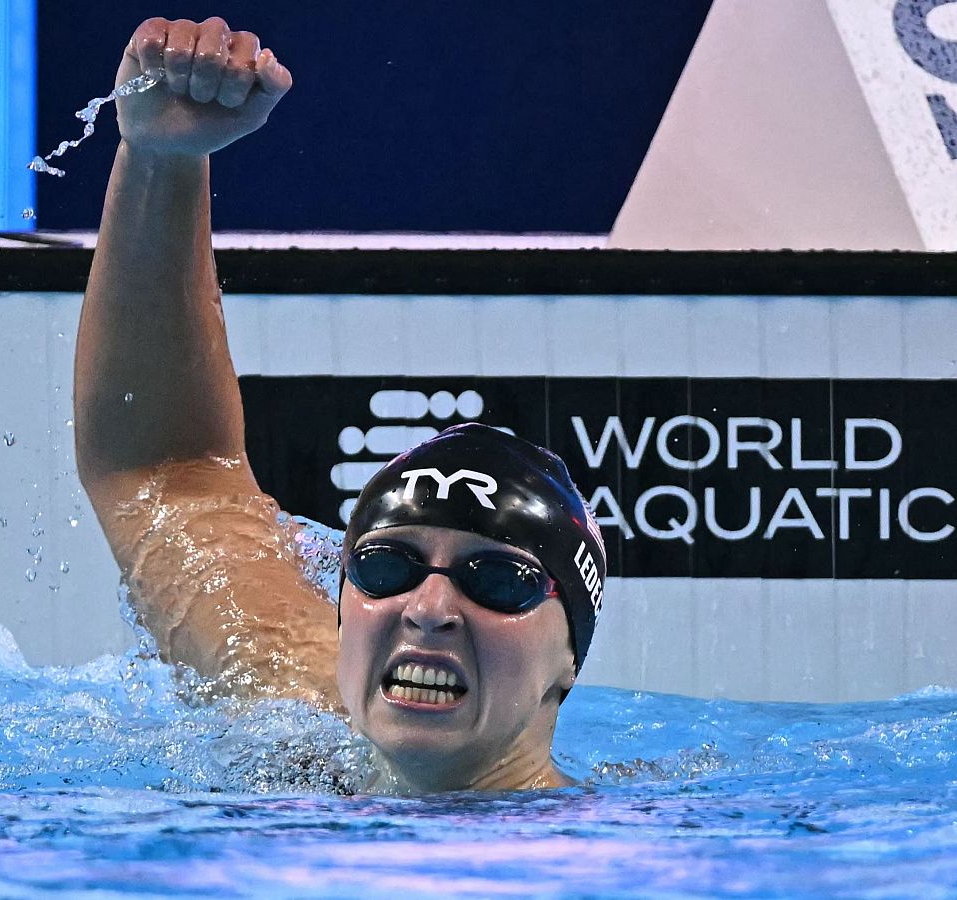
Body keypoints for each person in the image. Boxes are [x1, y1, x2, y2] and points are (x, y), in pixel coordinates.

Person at [73, 16, 605, 794]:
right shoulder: (294, 708)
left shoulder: (629, 852)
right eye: (385, 566)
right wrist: (160, 159)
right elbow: (165, 471)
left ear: (570, 660)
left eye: (498, 580)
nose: (427, 609)